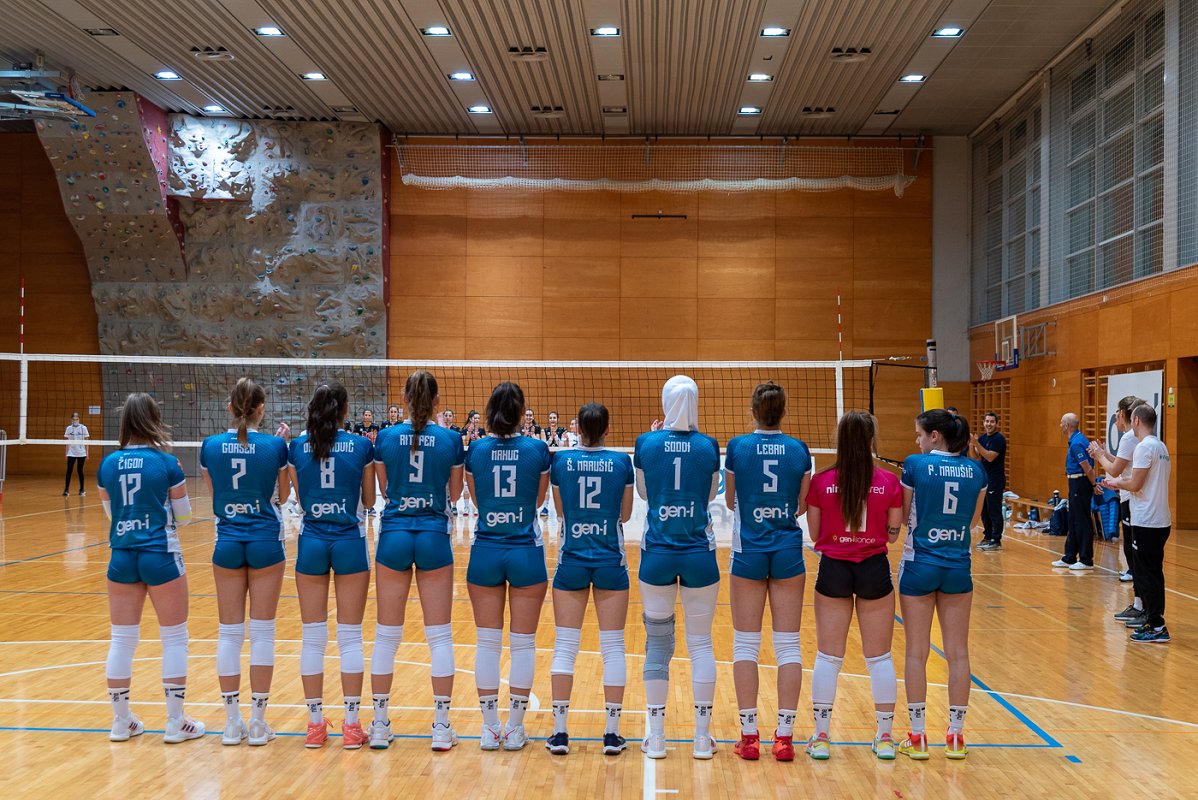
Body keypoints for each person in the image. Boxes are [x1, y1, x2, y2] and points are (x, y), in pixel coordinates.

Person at [97, 393, 203, 744]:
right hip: (160, 554)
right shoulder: (167, 464)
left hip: (121, 556)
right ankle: (175, 722)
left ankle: (120, 722)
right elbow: (184, 518)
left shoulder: (107, 465)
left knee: (121, 640)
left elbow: (112, 516)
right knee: (174, 638)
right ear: (155, 420)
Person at [369, 370, 465, 751]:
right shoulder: (451, 439)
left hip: (394, 534)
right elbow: (454, 494)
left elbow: (384, 489)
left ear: (405, 399)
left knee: (386, 636)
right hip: (433, 536)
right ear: (436, 401)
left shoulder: (385, 438)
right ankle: (441, 727)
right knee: (439, 636)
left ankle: (379, 725)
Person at [804, 411, 903, 761]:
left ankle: (820, 737)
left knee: (828, 656)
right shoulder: (889, 482)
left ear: (840, 440)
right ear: (871, 440)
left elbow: (814, 533)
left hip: (834, 568)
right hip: (873, 567)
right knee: (880, 658)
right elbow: (894, 534)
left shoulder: (821, 481)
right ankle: (885, 737)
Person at [722, 382, 812, 762]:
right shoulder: (799, 450)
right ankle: (785, 738)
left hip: (749, 550)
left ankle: (749, 737)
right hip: (788, 549)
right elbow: (802, 505)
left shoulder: (738, 447)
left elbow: (730, 501)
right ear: (783, 412)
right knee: (788, 645)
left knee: (745, 644)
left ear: (753, 411)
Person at [200, 378, 290, 747]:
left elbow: (215, 496)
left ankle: (231, 723)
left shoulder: (209, 446)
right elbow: (284, 495)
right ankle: (257, 723)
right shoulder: (275, 446)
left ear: (230, 407)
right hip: (266, 541)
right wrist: (279, 448)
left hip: (228, 542)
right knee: (263, 633)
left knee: (229, 634)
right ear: (260, 409)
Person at [635, 375, 722, 760]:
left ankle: (656, 738)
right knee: (701, 644)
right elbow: (709, 494)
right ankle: (702, 739)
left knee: (657, 644)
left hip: (658, 552)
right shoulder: (708, 446)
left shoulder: (646, 443)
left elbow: (644, 493)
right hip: (699, 554)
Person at [288, 382, 376, 749]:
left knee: (313, 637)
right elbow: (369, 501)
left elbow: (297, 497)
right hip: (349, 541)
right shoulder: (361, 446)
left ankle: (314, 725)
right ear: (344, 410)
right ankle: (352, 726)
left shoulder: (297, 447)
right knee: (350, 636)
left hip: (311, 542)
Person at [464, 382, 551, 751]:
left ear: (489, 412)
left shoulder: (476, 450)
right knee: (523, 644)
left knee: (487, 643)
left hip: (486, 549)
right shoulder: (537, 449)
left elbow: (476, 499)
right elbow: (540, 500)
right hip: (525, 552)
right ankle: (514, 729)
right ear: (520, 414)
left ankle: (489, 728)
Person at [545, 402, 635, 756]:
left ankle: (559, 732)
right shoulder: (621, 463)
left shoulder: (562, 461)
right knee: (613, 647)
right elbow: (625, 514)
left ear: (577, 430)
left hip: (572, 559)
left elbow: (560, 512)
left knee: (565, 646)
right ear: (607, 429)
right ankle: (611, 734)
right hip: (610, 559)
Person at [898, 409, 987, 760]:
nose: (916, 441)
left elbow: (903, 516)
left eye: (920, 434)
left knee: (916, 652)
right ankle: (956, 736)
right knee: (958, 653)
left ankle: (918, 736)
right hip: (957, 567)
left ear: (935, 436)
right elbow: (974, 521)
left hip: (919, 565)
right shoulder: (977, 470)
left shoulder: (915, 465)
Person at [1104, 404, 1172, 643]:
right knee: (1154, 573)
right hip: (1160, 519)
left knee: (1145, 574)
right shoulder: (1161, 446)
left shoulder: (1144, 447)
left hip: (1147, 520)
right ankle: (1154, 621)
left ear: (1136, 421)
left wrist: (1116, 482)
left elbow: (1135, 485)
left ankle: (1156, 625)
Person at [1090, 396, 1145, 603]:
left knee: (1132, 548)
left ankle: (1139, 601)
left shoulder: (1129, 437)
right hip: (1131, 495)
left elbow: (1115, 469)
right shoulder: (1133, 437)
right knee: (1131, 547)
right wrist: (1105, 454)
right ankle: (1138, 600)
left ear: (1122, 414)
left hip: (1131, 496)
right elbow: (1122, 464)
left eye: (1117, 413)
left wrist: (1099, 456)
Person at [1051, 413, 1096, 570]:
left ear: (1067, 426)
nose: (1060, 426)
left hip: (1080, 484)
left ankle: (1086, 560)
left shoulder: (1077, 443)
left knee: (1082, 520)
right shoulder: (1076, 440)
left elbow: (1087, 468)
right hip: (1075, 483)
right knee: (1073, 519)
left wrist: (1094, 484)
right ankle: (1069, 557)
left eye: (1061, 423)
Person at [970, 412, 1007, 551]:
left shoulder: (999, 439)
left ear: (996, 424)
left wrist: (977, 444)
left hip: (995, 479)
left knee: (994, 509)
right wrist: (971, 445)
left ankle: (996, 539)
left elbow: (990, 457)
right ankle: (987, 536)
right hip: (984, 478)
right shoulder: (983, 438)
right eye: (987, 421)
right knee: (984, 510)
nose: (989, 424)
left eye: (992, 422)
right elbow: (976, 458)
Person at [63, 411, 90, 496]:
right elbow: (67, 442)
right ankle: (66, 490)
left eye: (76, 419)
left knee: (80, 471)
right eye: (73, 419)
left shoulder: (83, 428)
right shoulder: (68, 428)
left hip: (81, 452)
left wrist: (87, 453)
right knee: (69, 471)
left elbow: (87, 441)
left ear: (79, 419)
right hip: (71, 452)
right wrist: (66, 452)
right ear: (71, 420)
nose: (75, 421)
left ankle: (82, 489)